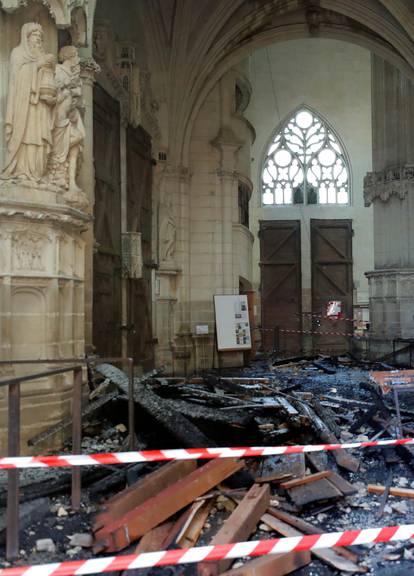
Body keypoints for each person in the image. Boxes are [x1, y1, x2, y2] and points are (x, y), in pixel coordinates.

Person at [2, 23, 56, 181]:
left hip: (41, 107)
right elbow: (15, 79)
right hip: (24, 105)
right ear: (26, 37)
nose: (38, 40)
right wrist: (37, 66)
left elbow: (49, 84)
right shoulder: (17, 53)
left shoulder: (43, 56)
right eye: (35, 36)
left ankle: (37, 173)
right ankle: (21, 170)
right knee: (26, 136)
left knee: (39, 138)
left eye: (40, 37)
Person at [49, 45, 85, 192]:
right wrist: (67, 87)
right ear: (69, 57)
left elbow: (79, 99)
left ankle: (71, 183)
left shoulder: (72, 74)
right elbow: (53, 91)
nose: (77, 59)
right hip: (59, 118)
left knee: (78, 140)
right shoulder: (58, 70)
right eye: (76, 55)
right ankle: (55, 167)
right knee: (72, 140)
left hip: (70, 116)